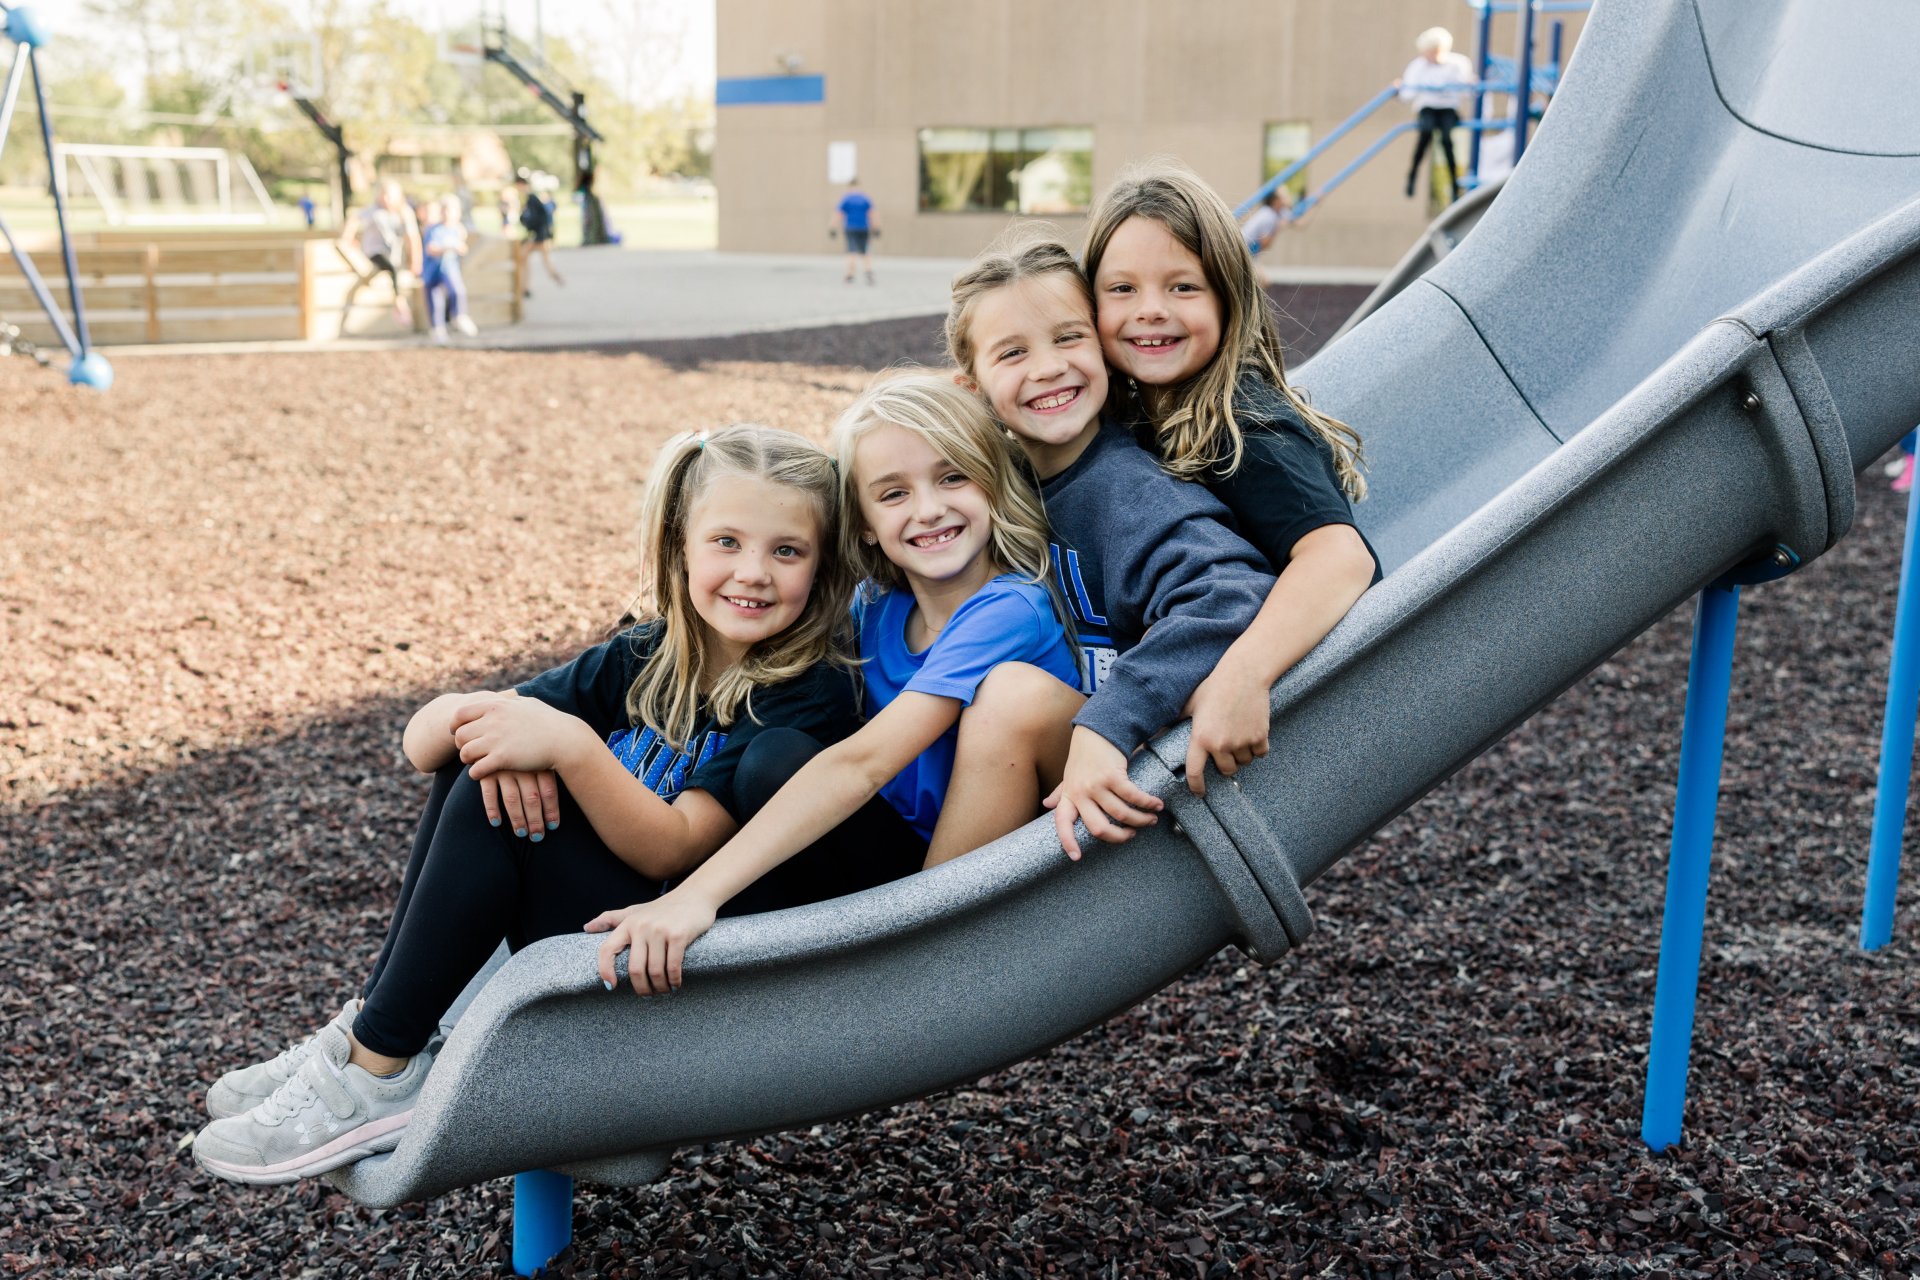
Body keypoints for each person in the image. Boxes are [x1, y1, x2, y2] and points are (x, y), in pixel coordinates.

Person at [192, 425, 882, 1185]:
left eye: (787, 550)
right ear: (680, 545)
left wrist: (570, 747)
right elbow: (425, 744)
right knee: (481, 771)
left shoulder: (807, 694)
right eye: (726, 541)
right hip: (611, 936)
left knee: (501, 790)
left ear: (821, 570)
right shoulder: (643, 655)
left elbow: (674, 847)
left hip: (682, 961)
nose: (752, 572)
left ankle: (377, 1065)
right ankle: (380, 1042)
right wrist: (487, 725)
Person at [586, 373, 1085, 995]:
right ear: (865, 523)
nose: (928, 509)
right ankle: (713, 979)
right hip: (889, 856)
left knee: (784, 760)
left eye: (953, 477)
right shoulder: (877, 609)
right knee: (775, 751)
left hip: (960, 886)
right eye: (893, 493)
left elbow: (865, 765)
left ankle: (908, 963)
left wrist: (697, 893)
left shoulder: (1009, 608)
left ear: (993, 482)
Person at [943, 235, 1282, 856]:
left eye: (1068, 338)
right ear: (973, 390)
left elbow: (1230, 592)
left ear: (1103, 347)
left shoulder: (1128, 489)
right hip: (991, 770)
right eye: (1013, 352)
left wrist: (1108, 723)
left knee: (1011, 699)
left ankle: (928, 943)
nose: (1046, 367)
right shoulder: (980, 493)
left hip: (1106, 781)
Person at [1080, 162, 1380, 808]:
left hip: (1270, 721)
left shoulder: (1241, 422)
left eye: (1183, 287)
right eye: (1122, 290)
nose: (1151, 311)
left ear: (1227, 298)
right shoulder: (1141, 414)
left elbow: (1340, 558)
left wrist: (1245, 675)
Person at [1396, 27, 1475, 203]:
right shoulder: (1418, 66)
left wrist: (1471, 85)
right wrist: (1398, 90)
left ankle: (1455, 184)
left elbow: (1467, 92)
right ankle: (1412, 175)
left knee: (1447, 140)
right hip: (1428, 107)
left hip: (1448, 108)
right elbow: (1407, 93)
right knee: (1425, 133)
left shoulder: (1457, 64)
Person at [338, 179, 421, 325]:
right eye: (384, 195)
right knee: (392, 268)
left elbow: (412, 238)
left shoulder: (404, 212)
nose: (386, 199)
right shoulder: (374, 211)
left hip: (393, 255)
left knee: (393, 268)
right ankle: (400, 304)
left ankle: (400, 306)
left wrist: (415, 261)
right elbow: (354, 219)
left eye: (390, 195)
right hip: (374, 252)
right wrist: (348, 238)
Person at [419, 198, 478, 344]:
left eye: (450, 211)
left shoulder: (457, 229)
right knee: (435, 300)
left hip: (448, 268)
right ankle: (437, 329)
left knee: (457, 290)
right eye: (444, 210)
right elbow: (431, 249)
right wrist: (449, 248)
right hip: (432, 270)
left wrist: (459, 247)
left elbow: (462, 247)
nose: (446, 214)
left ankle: (459, 315)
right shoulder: (434, 229)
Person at [514, 173, 565, 297]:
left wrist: (533, 229)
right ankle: (552, 276)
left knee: (522, 259)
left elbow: (541, 217)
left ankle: (524, 287)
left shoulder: (532, 199)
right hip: (537, 235)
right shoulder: (527, 199)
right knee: (531, 260)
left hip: (537, 235)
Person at [832, 178, 878, 285]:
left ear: (849, 187)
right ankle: (868, 272)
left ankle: (850, 275)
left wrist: (833, 227)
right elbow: (872, 213)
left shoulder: (846, 199)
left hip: (850, 228)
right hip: (864, 228)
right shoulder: (865, 198)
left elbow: (839, 214)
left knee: (851, 251)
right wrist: (876, 227)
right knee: (865, 251)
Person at [1240, 186, 1294, 255]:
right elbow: (1265, 244)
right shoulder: (1268, 216)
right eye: (1284, 197)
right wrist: (1278, 227)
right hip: (1245, 249)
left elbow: (1298, 222)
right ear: (1276, 201)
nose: (1287, 198)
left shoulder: (1279, 212)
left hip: (1248, 247)